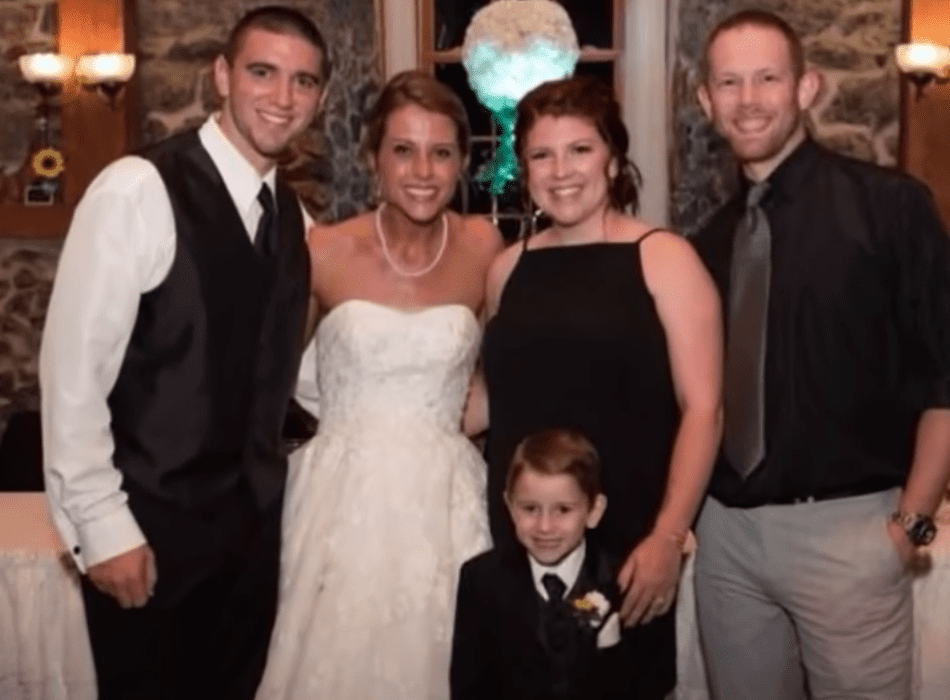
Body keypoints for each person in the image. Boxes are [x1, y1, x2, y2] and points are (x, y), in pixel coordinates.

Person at [38, 7, 329, 699]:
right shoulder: (137, 189)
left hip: (253, 544)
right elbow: (72, 375)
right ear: (223, 75)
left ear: (319, 98)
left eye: (303, 81)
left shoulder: (296, 219)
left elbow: (295, 374)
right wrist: (103, 529)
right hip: (150, 532)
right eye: (263, 72)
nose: (283, 98)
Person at [692, 10, 950, 700]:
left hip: (849, 534)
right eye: (730, 82)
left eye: (767, 78)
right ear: (706, 100)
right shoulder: (705, 245)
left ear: (807, 87)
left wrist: (911, 524)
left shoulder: (890, 207)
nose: (748, 100)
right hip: (727, 542)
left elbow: (945, 374)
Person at [468, 74, 723, 700]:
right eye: (541, 155)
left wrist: (667, 537)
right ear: (523, 169)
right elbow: (490, 398)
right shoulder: (509, 267)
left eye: (580, 149)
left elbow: (705, 409)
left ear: (612, 158)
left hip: (626, 540)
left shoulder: (664, 258)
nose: (561, 171)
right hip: (523, 533)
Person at [254, 70, 504, 700]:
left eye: (441, 152)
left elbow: (505, 369)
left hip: (445, 498)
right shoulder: (325, 250)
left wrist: (444, 420)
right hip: (338, 500)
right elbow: (267, 377)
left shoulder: (483, 247)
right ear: (374, 160)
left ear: (461, 163)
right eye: (403, 150)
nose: (422, 170)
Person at [451, 428, 630, 700]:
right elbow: (469, 686)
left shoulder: (622, 581)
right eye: (530, 509)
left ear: (593, 511)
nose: (545, 527)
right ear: (509, 507)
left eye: (563, 510)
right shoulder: (481, 581)